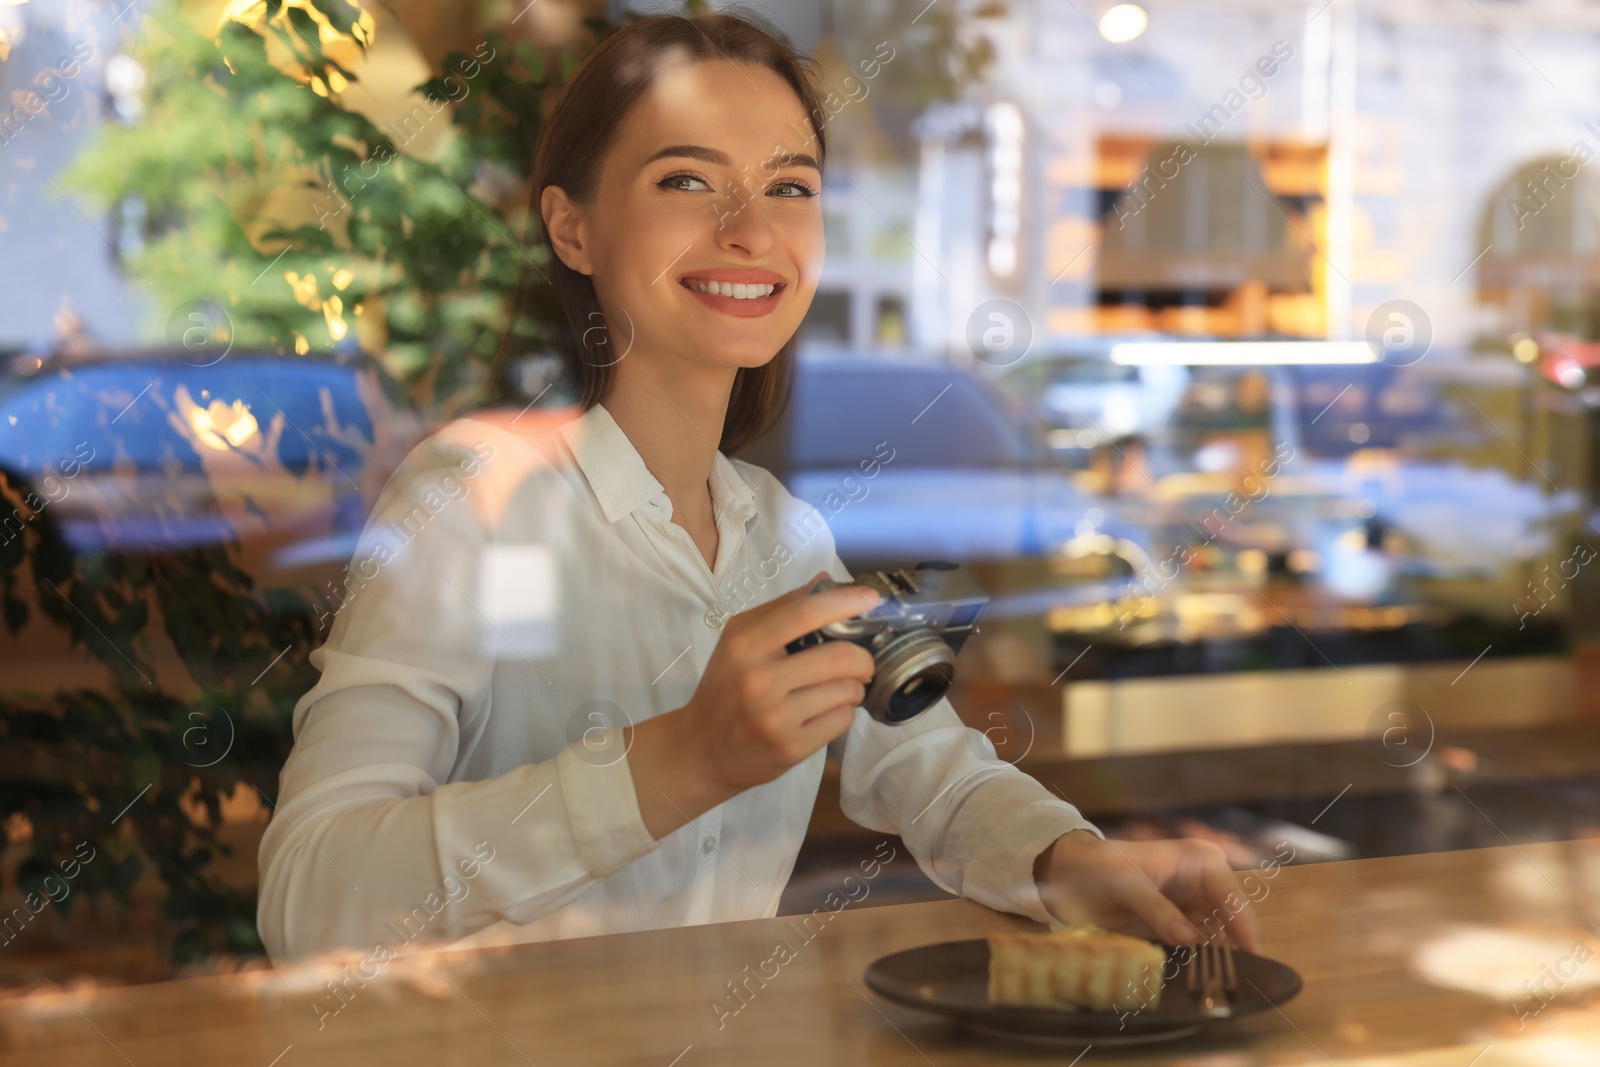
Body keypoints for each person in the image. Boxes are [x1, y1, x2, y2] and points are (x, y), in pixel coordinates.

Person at [257, 11, 1260, 965]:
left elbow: (933, 776)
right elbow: (309, 902)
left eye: (789, 185)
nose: (750, 228)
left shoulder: (782, 536)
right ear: (572, 228)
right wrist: (675, 761)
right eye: (687, 179)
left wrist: (1065, 861)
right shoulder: (474, 498)